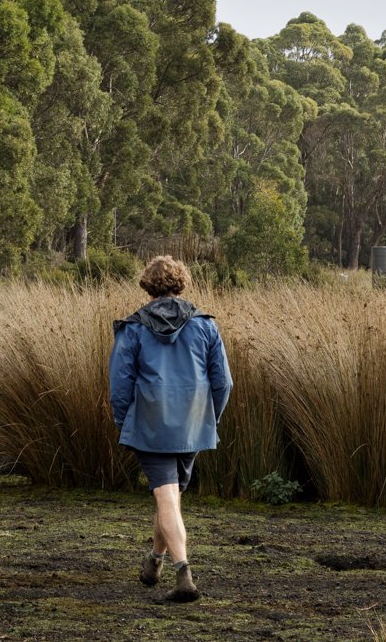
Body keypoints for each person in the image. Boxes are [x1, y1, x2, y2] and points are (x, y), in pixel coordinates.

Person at [109, 254, 232, 604]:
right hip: (193, 426)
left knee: (167, 499)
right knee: (170, 498)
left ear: (147, 286)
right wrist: (209, 418)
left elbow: (120, 385)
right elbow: (223, 382)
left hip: (150, 425)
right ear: (181, 283)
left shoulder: (133, 329)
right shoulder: (206, 326)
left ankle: (184, 576)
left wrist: (125, 423)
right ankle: (154, 562)